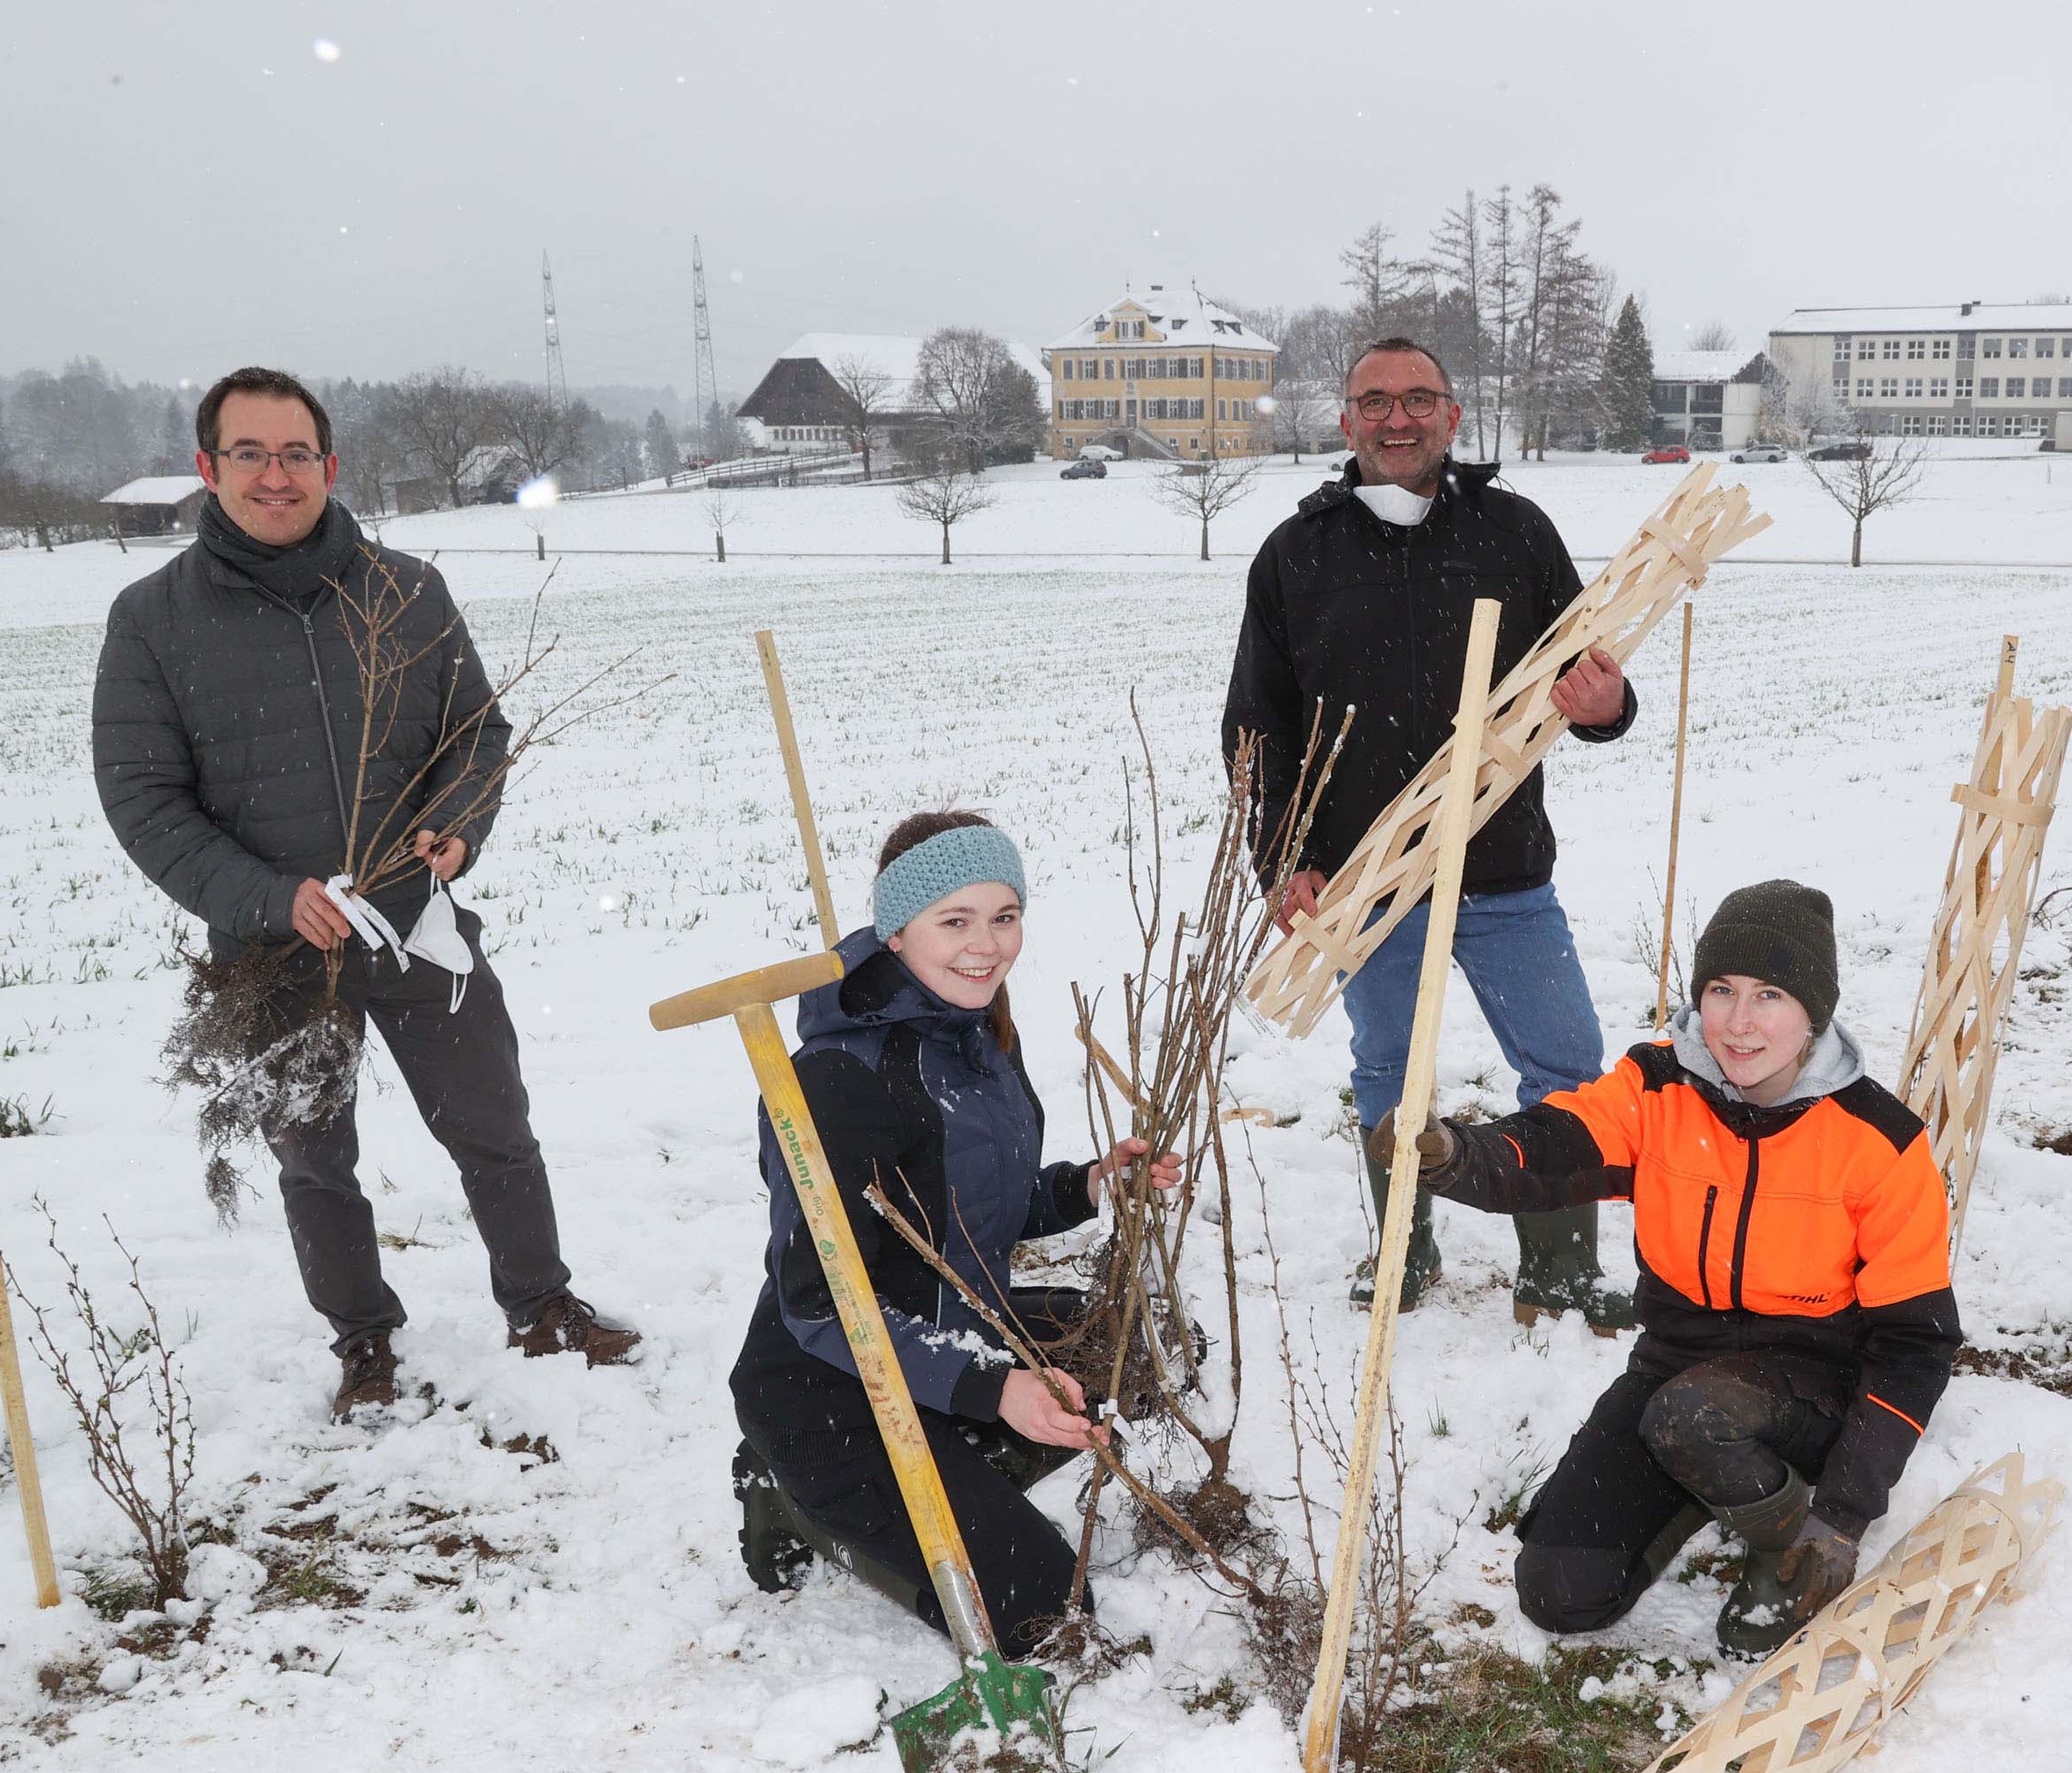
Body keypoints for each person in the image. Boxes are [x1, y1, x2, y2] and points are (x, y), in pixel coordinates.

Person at [91, 366, 638, 1421]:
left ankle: (540, 1304)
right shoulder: (154, 619)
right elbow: (143, 799)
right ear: (208, 469)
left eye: (295, 453)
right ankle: (364, 1343)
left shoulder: (406, 590)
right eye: (248, 452)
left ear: (329, 466)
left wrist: (458, 831)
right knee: (314, 1159)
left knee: (494, 1124)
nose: (274, 474)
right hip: (272, 948)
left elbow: (477, 731)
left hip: (417, 921)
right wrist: (266, 896)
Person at [1376, 882, 1960, 1658]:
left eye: (1769, 995)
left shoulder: (1877, 1141)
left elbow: (1915, 1342)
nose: (1739, 1022)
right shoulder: (1656, 1087)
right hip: (1678, 1364)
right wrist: (1454, 1154)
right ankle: (1708, 1479)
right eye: (1720, 990)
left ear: (1812, 1013)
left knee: (1694, 1416)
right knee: (1561, 1592)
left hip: (1817, 1386)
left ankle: (1778, 1535)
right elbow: (1553, 1146)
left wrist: (1840, 1517)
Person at [1225, 335, 1637, 1334]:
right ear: (1346, 421)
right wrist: (1282, 861)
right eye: (1376, 401)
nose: (1397, 418)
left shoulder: (1515, 531)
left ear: (1453, 416)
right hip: (1366, 879)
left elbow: (1592, 675)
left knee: (1566, 1064)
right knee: (1389, 1066)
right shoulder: (1296, 553)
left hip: (1504, 871)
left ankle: (1562, 1268)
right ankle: (1403, 1250)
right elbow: (1257, 724)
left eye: (1419, 399)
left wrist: (1608, 703)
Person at [728, 811, 1181, 1654]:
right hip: (831, 1385)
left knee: (1140, 1360)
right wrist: (993, 1390)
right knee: (1045, 1611)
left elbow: (974, 1214)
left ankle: (964, 1460)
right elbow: (821, 1304)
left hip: (953, 1331)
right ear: (896, 933)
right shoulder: (839, 1080)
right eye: (955, 920)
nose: (987, 945)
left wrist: (1089, 1184)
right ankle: (790, 1491)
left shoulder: (975, 1038)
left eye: (1004, 916)